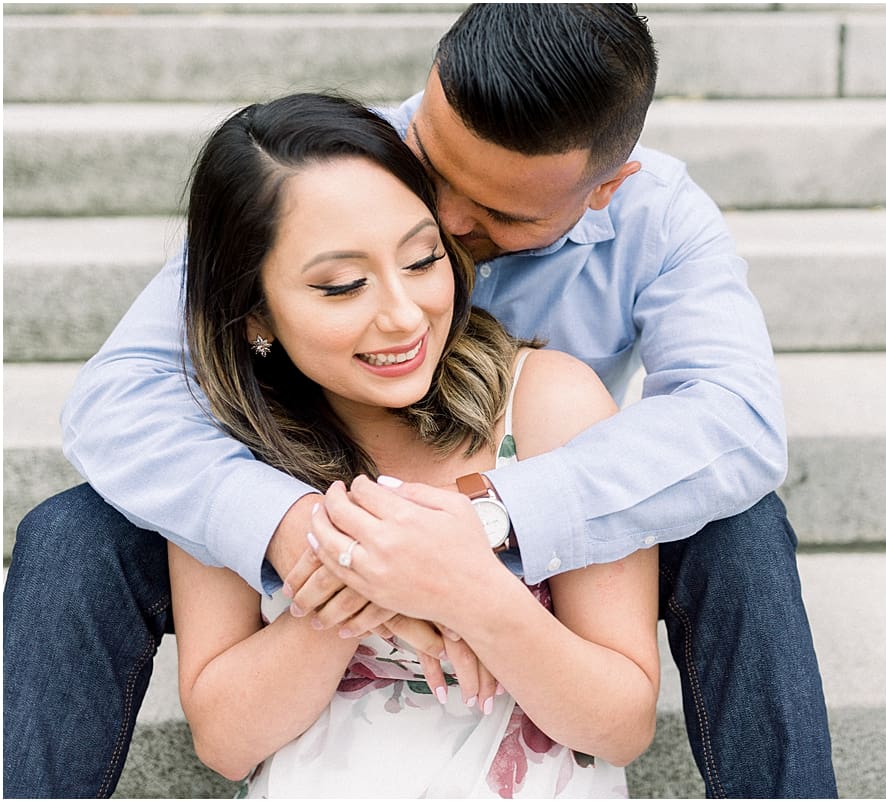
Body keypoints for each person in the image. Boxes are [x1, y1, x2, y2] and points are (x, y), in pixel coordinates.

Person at [3, 5, 837, 798]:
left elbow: (737, 423)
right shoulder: (330, 173)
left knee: (740, 524)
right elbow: (119, 400)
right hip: (309, 479)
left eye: (493, 215)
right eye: (432, 167)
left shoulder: (658, 226)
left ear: (604, 189)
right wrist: (322, 541)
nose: (445, 213)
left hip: (548, 512)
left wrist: (480, 531)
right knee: (75, 532)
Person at [170, 91, 658, 798]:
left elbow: (622, 724)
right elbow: (223, 742)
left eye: (423, 260)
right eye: (343, 286)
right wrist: (354, 581)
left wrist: (470, 591)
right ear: (253, 313)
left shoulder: (551, 403)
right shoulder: (221, 458)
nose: (403, 316)